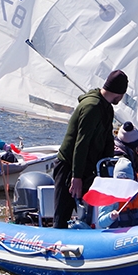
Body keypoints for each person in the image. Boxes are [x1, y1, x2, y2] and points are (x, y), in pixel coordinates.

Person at [52, 69, 128, 229]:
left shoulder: (107, 108)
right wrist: (76, 176)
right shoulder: (92, 107)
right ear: (120, 93)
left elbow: (108, 138)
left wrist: (108, 168)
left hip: (88, 167)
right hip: (69, 166)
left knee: (91, 209)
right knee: (62, 214)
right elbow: (82, 143)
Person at [96, 159, 138, 229]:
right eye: (120, 179)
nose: (124, 182)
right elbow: (101, 223)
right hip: (117, 235)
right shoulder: (109, 195)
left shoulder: (137, 193)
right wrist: (111, 217)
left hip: (136, 232)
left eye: (127, 179)